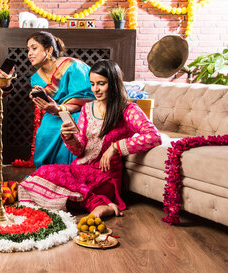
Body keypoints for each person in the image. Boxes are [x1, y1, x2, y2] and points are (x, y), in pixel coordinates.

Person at [19, 59, 162, 218]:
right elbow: (79, 150)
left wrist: (115, 147)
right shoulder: (87, 108)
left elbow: (153, 136)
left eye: (101, 84)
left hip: (105, 176)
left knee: (59, 191)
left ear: (113, 83)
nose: (96, 89)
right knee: (37, 177)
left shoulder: (128, 109)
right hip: (79, 170)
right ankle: (99, 204)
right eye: (92, 84)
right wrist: (69, 138)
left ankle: (99, 204)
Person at [27, 31, 94, 168]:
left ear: (49, 49)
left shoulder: (73, 66)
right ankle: (45, 175)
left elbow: (86, 97)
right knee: (44, 132)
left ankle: (68, 174)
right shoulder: (35, 78)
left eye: (34, 48)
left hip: (77, 112)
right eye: (28, 50)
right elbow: (47, 103)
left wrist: (59, 109)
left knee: (67, 127)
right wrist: (40, 97)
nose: (29, 53)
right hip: (53, 113)